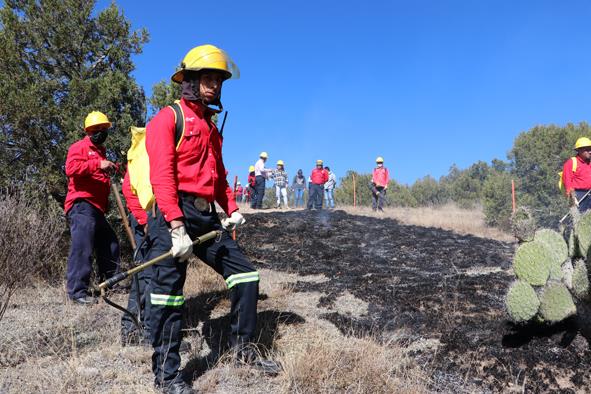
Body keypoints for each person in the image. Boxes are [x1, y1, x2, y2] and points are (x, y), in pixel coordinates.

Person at [145, 44, 273, 394]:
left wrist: (230, 209)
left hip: (206, 217)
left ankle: (243, 350)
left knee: (246, 275)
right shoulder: (168, 118)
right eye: (207, 79)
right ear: (188, 80)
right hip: (174, 215)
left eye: (218, 80)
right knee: (168, 296)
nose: (214, 86)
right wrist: (175, 225)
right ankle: (168, 376)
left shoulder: (210, 127)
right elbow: (163, 176)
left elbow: (217, 175)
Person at [64, 111, 120, 305]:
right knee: (82, 246)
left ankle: (112, 283)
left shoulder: (100, 152)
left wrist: (113, 167)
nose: (101, 132)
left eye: (104, 129)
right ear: (88, 131)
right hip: (81, 204)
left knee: (110, 243)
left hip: (97, 208)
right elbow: (71, 169)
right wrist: (98, 164)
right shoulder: (79, 147)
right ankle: (77, 292)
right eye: (97, 129)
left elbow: (100, 176)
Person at [120, 169, 152, 346]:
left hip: (156, 220)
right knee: (146, 273)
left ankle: (135, 329)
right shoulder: (144, 148)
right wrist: (145, 220)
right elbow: (128, 188)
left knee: (148, 272)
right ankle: (137, 330)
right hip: (145, 222)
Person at [563, 137, 591, 212]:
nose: (590, 151)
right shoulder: (571, 163)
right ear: (579, 150)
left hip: (589, 193)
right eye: (587, 149)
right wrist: (572, 198)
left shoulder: (590, 163)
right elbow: (567, 182)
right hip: (578, 195)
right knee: (581, 220)